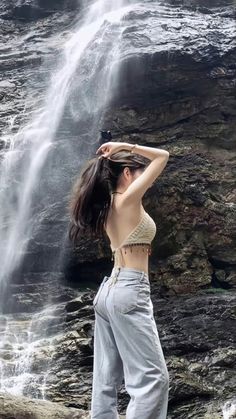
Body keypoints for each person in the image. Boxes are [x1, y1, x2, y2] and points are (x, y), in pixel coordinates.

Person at [68, 140, 170, 419]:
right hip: (129, 290)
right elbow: (162, 156)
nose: (141, 178)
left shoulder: (106, 209)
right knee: (153, 380)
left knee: (105, 377)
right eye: (137, 172)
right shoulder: (126, 200)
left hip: (108, 292)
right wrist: (127, 146)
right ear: (127, 173)